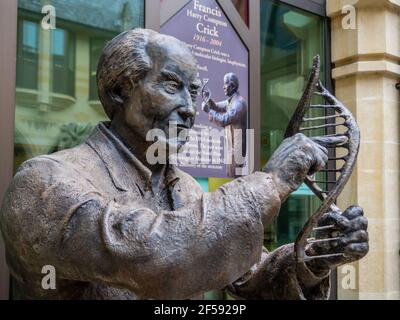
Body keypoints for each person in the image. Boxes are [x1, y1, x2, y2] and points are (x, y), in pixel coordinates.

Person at [0, 29, 368, 300]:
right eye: (172, 86)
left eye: (194, 93)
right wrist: (270, 182)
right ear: (119, 90)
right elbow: (158, 257)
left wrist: (315, 256)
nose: (191, 110)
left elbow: (249, 279)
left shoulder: (184, 188)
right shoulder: (44, 182)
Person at [202, 73, 248, 177]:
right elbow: (217, 107)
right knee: (231, 176)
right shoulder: (231, 101)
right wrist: (207, 99)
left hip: (238, 150)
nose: (223, 87)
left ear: (233, 86)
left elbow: (224, 120)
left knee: (236, 178)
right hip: (232, 148)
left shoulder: (238, 104)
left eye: (226, 84)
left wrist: (209, 110)